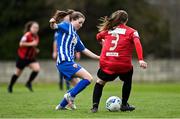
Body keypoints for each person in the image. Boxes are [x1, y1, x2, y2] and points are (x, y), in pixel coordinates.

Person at [91, 10, 148, 113]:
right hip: (123, 64)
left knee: (100, 82)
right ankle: (124, 104)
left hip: (107, 63)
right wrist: (140, 59)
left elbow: (98, 36)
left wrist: (102, 43)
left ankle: (95, 107)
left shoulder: (108, 31)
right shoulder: (132, 31)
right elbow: (137, 43)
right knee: (127, 79)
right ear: (126, 20)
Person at [50, 10, 100, 110]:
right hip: (66, 62)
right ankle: (69, 97)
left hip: (65, 63)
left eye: (82, 23)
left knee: (77, 85)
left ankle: (61, 106)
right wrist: (52, 21)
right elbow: (54, 27)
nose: (81, 25)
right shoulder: (67, 26)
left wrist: (99, 57)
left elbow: (84, 50)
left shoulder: (75, 36)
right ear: (72, 20)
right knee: (88, 78)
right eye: (79, 22)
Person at [8, 21, 40, 93]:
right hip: (22, 57)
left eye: (37, 28)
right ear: (30, 28)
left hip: (31, 58)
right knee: (17, 73)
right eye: (34, 27)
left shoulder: (36, 36)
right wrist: (31, 43)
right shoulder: (27, 35)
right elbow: (21, 44)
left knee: (37, 69)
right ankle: (10, 85)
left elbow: (33, 46)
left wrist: (36, 50)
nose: (36, 29)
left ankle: (28, 83)